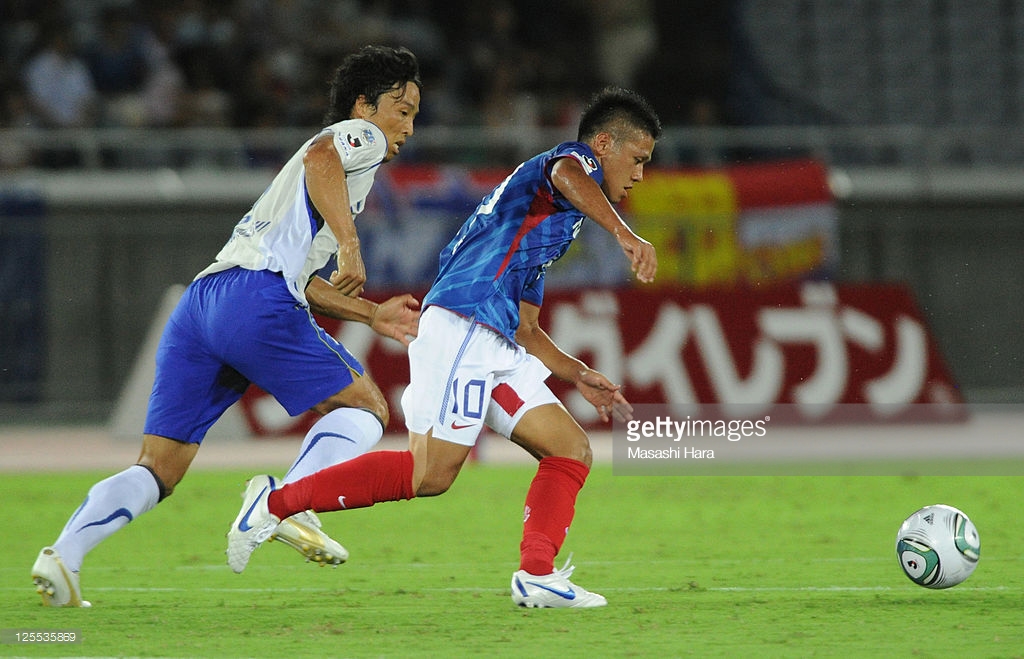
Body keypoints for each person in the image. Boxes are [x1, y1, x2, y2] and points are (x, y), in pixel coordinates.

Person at [227, 87, 661, 608]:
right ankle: (273, 503)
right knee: (428, 475)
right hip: (463, 325)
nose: (638, 174)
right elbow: (569, 173)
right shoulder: (569, 167)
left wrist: (577, 373)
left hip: (496, 339)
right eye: (637, 160)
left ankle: (537, 575)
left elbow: (526, 328)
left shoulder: (550, 222)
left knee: (570, 450)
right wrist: (623, 234)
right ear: (605, 143)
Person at [32, 45, 423, 608]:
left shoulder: (331, 179)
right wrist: (350, 241)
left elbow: (307, 279)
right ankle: (286, 501)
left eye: (414, 115)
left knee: (159, 468)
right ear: (364, 105)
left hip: (201, 304)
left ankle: (63, 557)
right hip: (252, 296)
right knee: (366, 408)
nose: (407, 127)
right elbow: (320, 157)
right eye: (400, 109)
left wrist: (370, 312)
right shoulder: (358, 138)